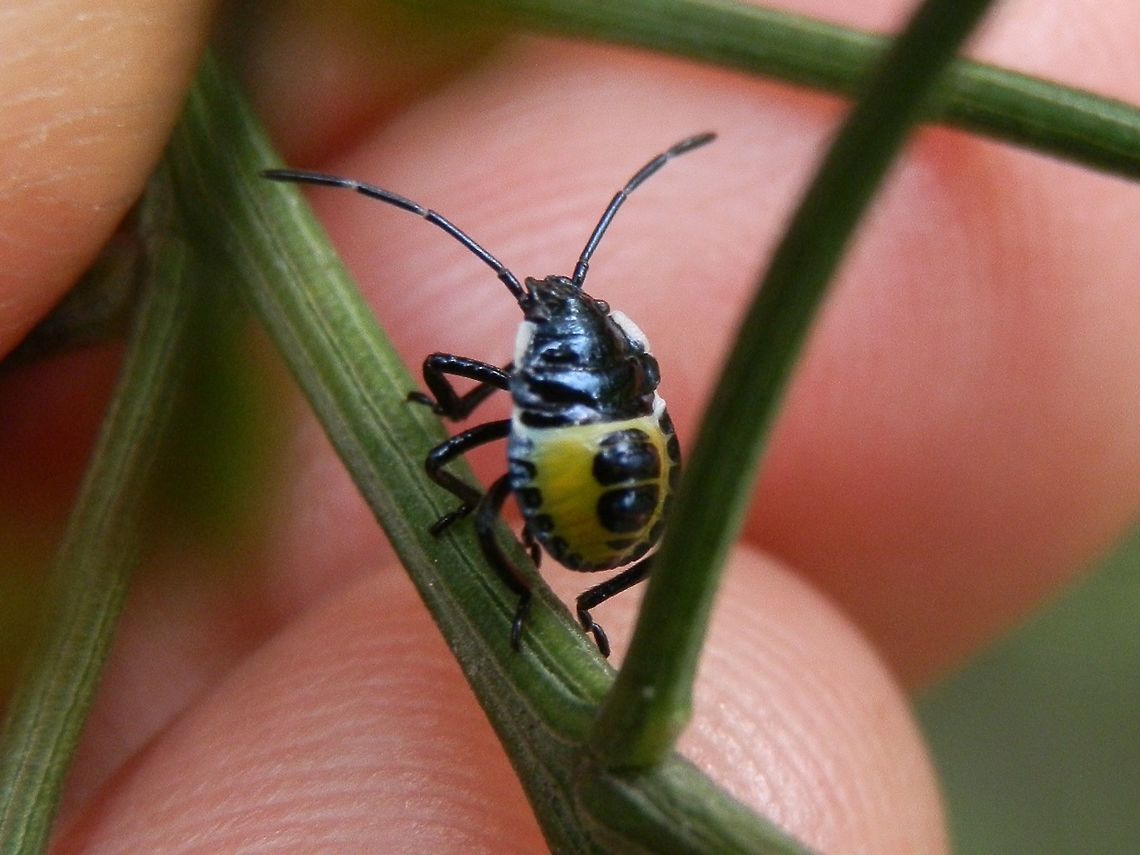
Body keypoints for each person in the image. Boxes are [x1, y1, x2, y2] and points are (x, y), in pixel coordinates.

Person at [2, 2, 1137, 851]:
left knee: (464, 463)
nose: (547, 300)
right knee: (487, 479)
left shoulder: (552, 369)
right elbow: (642, 411)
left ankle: (562, 587)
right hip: (609, 496)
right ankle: (579, 600)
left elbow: (479, 410)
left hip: (588, 477)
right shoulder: (602, 360)